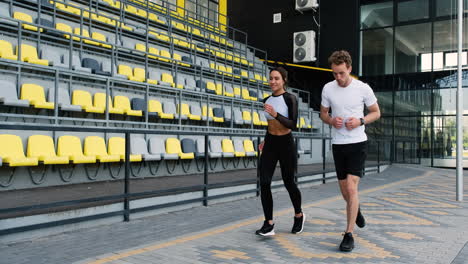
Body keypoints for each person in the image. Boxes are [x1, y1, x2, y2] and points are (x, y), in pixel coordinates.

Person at [320, 50, 381, 252]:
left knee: (352, 188)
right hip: (338, 143)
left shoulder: (363, 88)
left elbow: (376, 112)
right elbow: (323, 114)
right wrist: (331, 121)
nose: (338, 77)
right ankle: (357, 210)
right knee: (345, 191)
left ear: (349, 69)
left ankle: (348, 234)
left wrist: (361, 121)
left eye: (341, 73)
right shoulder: (328, 88)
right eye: (335, 73)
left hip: (357, 143)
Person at [255, 67, 305, 236]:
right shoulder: (266, 99)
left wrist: (275, 114)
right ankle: (268, 223)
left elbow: (293, 124)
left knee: (289, 182)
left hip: (286, 143)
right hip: (270, 143)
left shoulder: (290, 98)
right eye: (270, 78)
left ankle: (298, 215)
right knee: (264, 182)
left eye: (276, 78)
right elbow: (270, 125)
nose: (273, 81)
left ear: (284, 80)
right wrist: (265, 140)